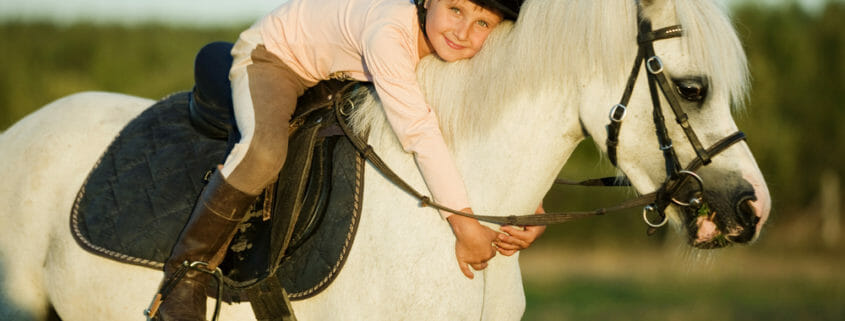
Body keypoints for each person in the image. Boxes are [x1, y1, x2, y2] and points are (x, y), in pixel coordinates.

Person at [149, 0, 544, 319]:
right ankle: (186, 274)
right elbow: (419, 132)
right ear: (427, 2)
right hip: (276, 56)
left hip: (335, 71)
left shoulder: (447, 48)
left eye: (483, 23)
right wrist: (464, 227)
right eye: (456, 9)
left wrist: (529, 207)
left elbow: (473, 135)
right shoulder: (389, 34)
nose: (463, 32)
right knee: (265, 152)